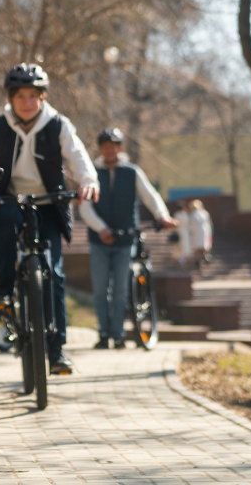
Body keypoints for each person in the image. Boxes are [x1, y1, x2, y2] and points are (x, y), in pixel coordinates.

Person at [0, 63, 99, 375]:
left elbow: (77, 156)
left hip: (49, 201)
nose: (27, 102)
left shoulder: (58, 124)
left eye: (33, 96)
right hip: (8, 197)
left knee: (53, 271)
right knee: (7, 221)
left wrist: (88, 180)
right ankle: (5, 288)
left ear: (43, 97)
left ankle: (57, 350)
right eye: (20, 96)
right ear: (10, 99)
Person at [79, 128, 176, 349]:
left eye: (113, 145)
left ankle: (119, 334)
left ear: (119, 148)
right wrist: (101, 229)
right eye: (105, 146)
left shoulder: (132, 172)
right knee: (101, 289)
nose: (109, 150)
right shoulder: (91, 173)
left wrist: (162, 216)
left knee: (121, 289)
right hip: (98, 240)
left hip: (125, 239)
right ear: (101, 149)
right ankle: (104, 333)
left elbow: (150, 195)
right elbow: (85, 208)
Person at [189, 199, 213, 267]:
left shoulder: (194, 214)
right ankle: (202, 259)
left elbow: (192, 225)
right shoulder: (205, 213)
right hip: (204, 232)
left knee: (199, 248)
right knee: (203, 247)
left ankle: (199, 260)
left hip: (199, 232)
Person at [173, 202, 192, 266]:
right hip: (183, 231)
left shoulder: (178, 214)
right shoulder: (184, 215)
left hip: (181, 231)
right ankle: (182, 258)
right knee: (182, 245)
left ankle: (182, 258)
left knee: (182, 245)